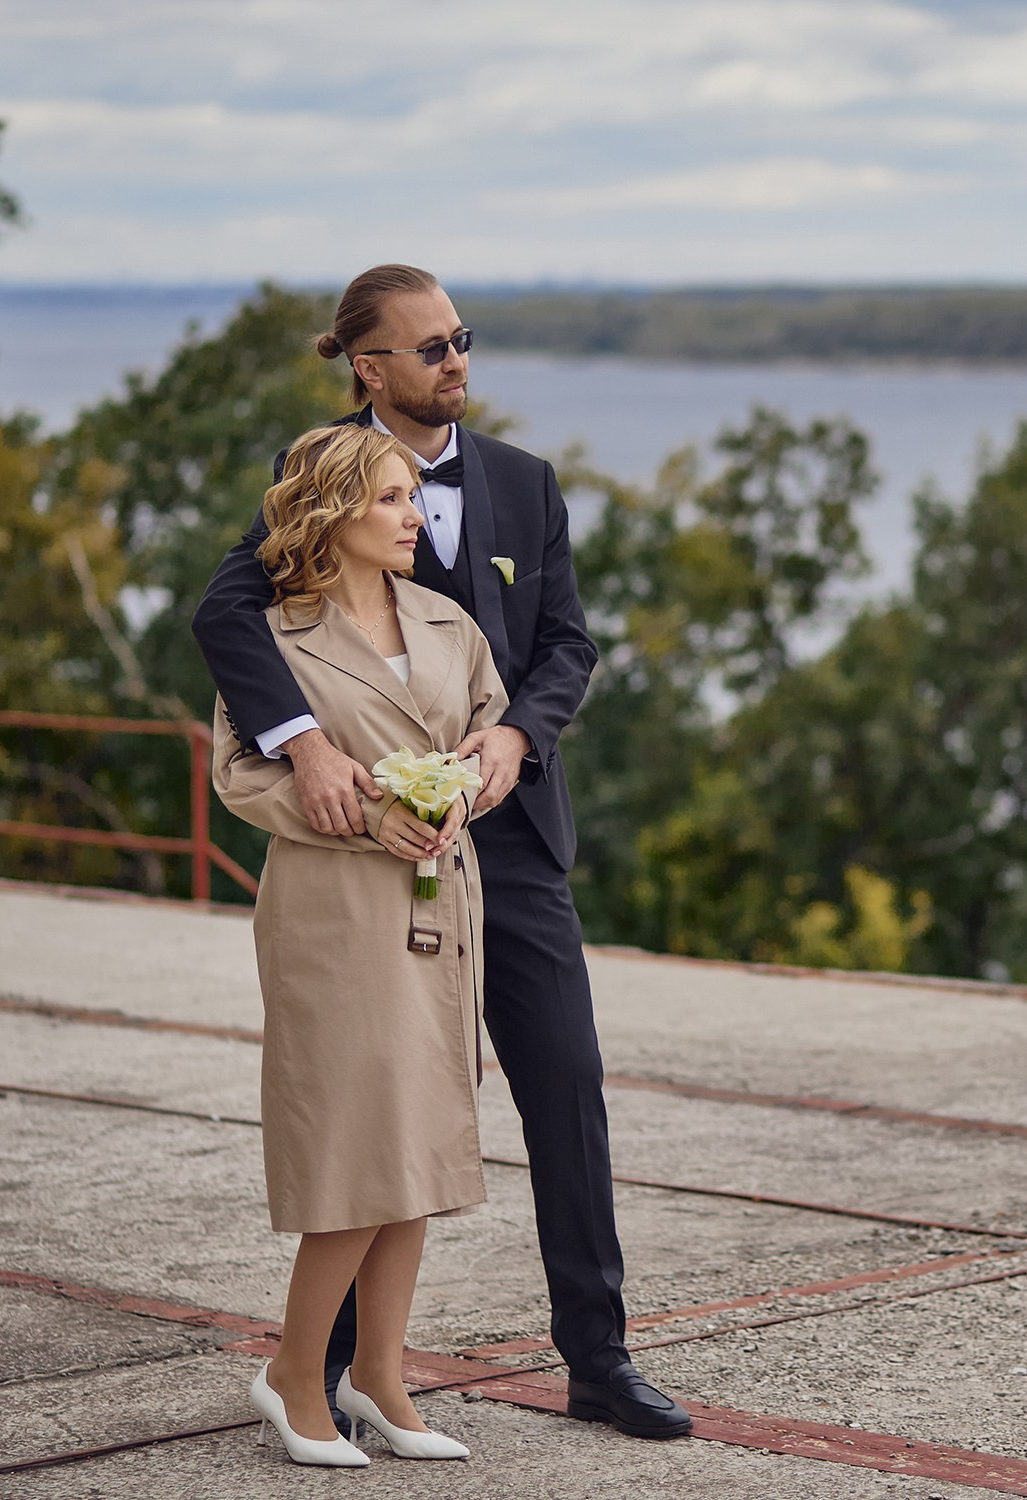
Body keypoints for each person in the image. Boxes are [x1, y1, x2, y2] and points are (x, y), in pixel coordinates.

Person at [192, 264, 693, 1440]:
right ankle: (343, 1369)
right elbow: (227, 616)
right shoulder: (313, 476)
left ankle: (599, 1357)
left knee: (564, 1083)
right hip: (372, 852)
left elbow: (567, 642)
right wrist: (306, 746)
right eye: (430, 348)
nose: (456, 361)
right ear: (368, 368)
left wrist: (518, 735)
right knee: (388, 1095)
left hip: (509, 845)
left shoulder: (524, 485)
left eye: (463, 339)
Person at [211, 422, 505, 1467]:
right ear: (333, 511)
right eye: (389, 500)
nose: (413, 516)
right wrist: (357, 808)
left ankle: (380, 1376)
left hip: (439, 902)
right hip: (334, 909)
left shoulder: (447, 621)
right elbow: (241, 775)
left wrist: (468, 782)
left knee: (419, 1139)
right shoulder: (277, 637)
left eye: (412, 499)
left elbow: (484, 727)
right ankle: (297, 1374)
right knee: (354, 1141)